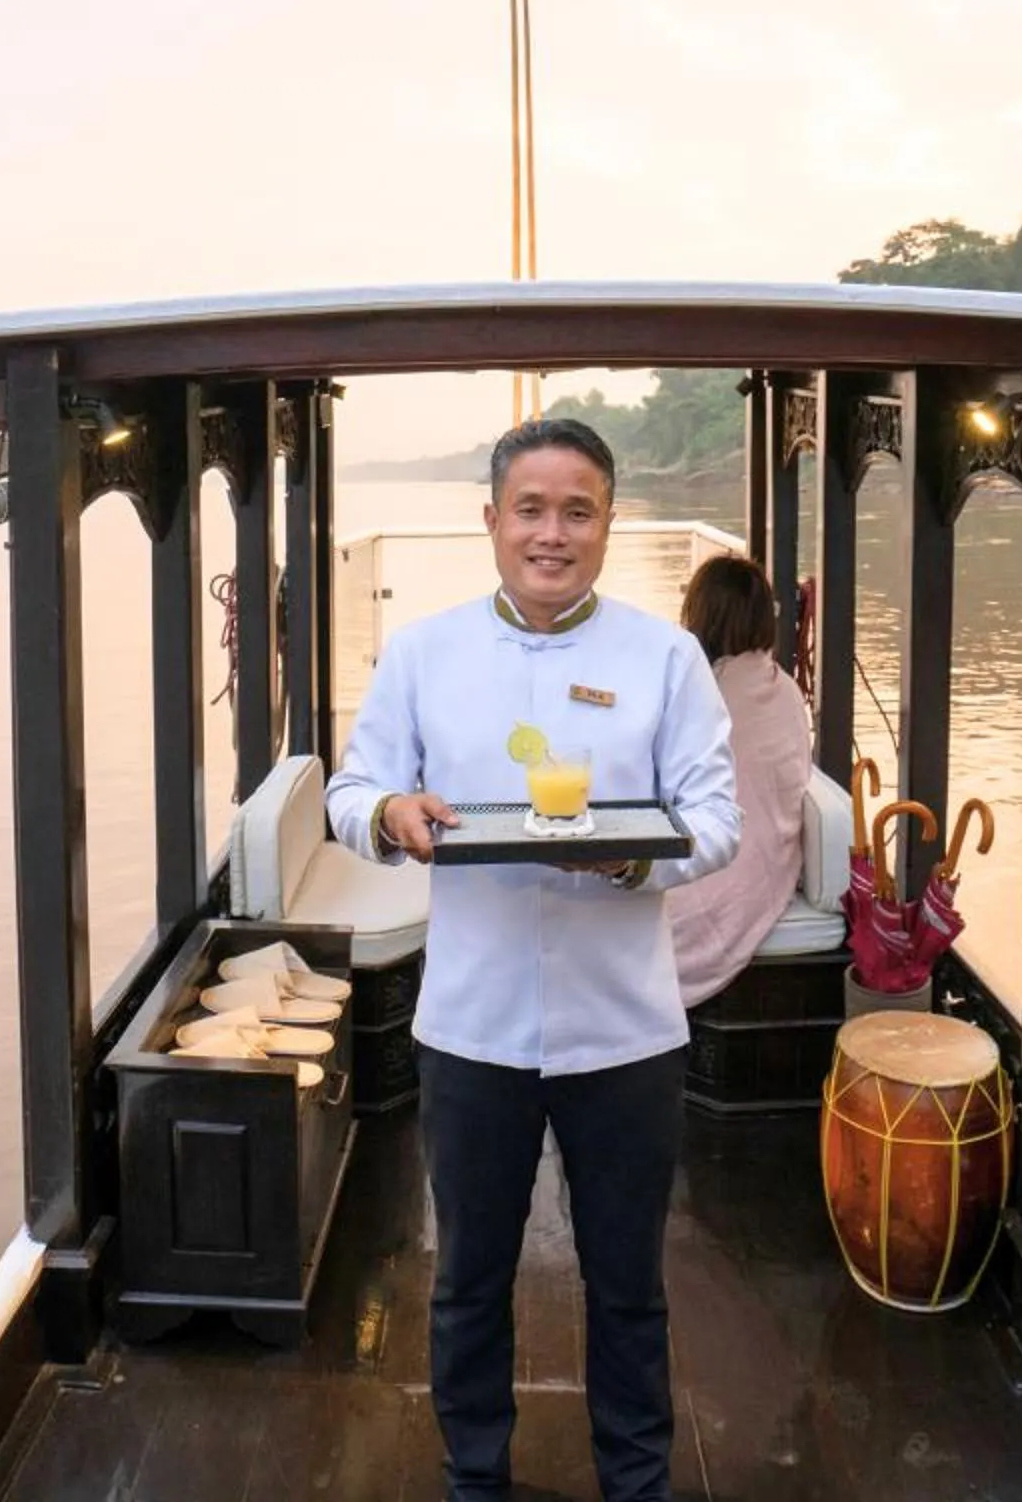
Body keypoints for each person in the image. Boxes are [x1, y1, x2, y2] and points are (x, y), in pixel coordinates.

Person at [326, 416, 739, 1502]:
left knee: (628, 1285)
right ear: (492, 520)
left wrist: (630, 860)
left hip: (626, 1030)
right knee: (467, 1281)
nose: (552, 533)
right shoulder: (424, 650)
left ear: (609, 522)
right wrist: (393, 814)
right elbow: (351, 792)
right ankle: (475, 1478)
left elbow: (716, 819)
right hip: (470, 1026)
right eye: (531, 508)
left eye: (578, 509)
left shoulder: (664, 655)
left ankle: (637, 1481)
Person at [665, 554, 813, 1008]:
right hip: (770, 860)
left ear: (700, 616)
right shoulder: (783, 688)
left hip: (723, 872)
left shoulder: (703, 694)